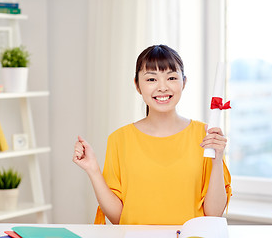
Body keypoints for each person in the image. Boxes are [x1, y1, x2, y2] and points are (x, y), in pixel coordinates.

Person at [73, 44, 232, 225]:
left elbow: (213, 214)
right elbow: (118, 218)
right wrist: (93, 169)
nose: (163, 87)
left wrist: (217, 159)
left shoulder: (205, 136)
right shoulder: (119, 139)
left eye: (171, 77)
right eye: (151, 79)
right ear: (137, 85)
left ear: (184, 82)